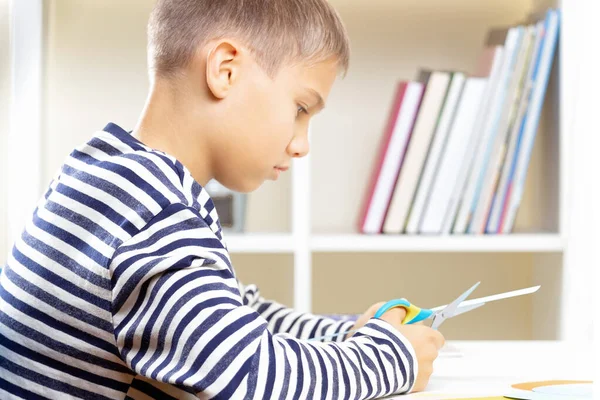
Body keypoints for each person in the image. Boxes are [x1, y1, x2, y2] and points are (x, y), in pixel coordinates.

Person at [0, 0, 444, 398]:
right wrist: (391, 359)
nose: (302, 144)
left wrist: (347, 334)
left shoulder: (112, 175)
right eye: (301, 109)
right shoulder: (154, 211)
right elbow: (246, 374)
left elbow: (234, 316)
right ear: (225, 70)